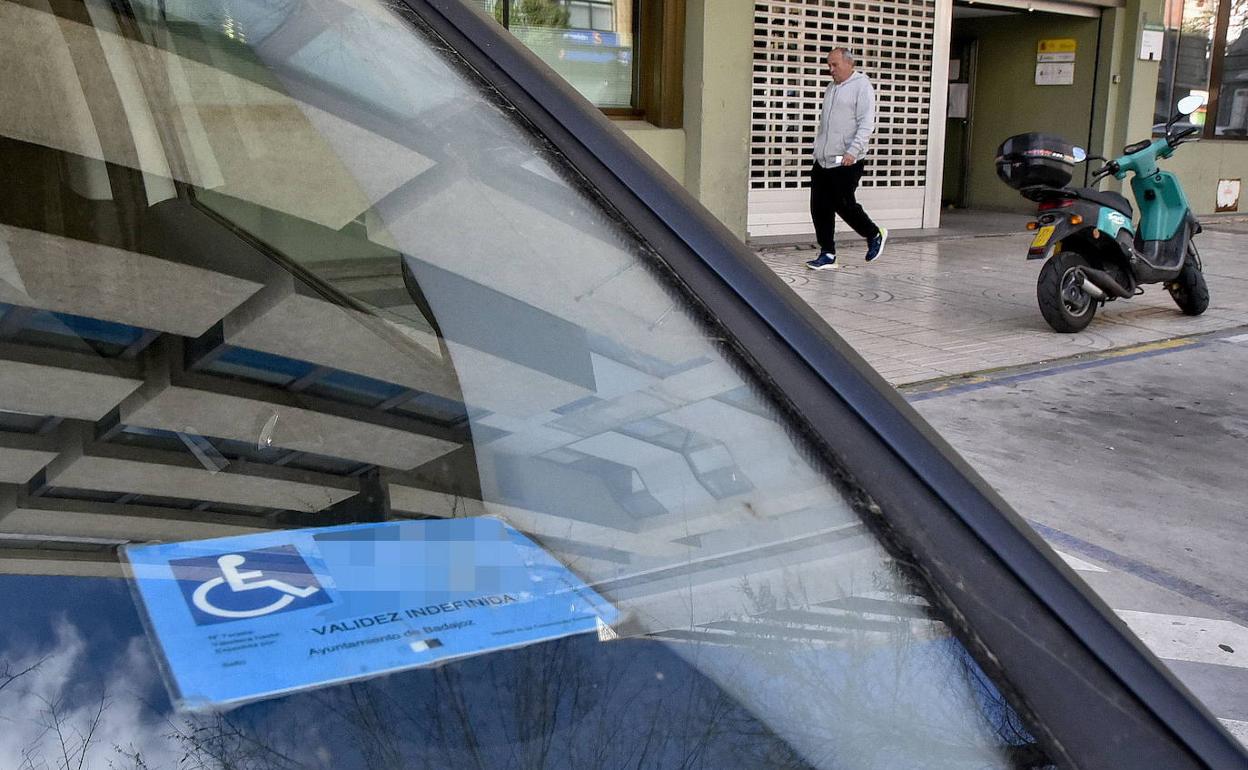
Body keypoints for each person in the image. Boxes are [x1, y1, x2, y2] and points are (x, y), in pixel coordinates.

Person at [805, 48, 887, 270]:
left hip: (847, 159)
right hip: (824, 159)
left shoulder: (862, 86)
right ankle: (827, 253)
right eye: (828, 65)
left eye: (835, 65)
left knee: (843, 203)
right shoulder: (831, 88)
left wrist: (853, 151)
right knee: (819, 207)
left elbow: (866, 123)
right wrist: (818, 149)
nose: (830, 70)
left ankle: (873, 233)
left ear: (849, 64)